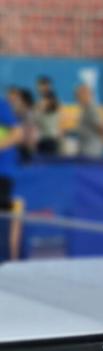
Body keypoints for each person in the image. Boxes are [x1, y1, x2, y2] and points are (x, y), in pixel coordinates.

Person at [0, 90, 24, 262]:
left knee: (2, 223)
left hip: (2, 173)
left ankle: (4, 263)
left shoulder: (1, 105)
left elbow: (17, 134)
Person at [74, 83, 103, 160]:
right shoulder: (85, 109)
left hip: (91, 151)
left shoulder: (91, 109)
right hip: (85, 148)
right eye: (76, 96)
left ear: (87, 95)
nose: (77, 98)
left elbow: (100, 125)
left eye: (78, 95)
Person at [34, 92, 62, 157]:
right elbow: (36, 122)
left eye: (46, 100)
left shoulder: (55, 113)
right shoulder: (40, 112)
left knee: (52, 159)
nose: (43, 102)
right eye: (43, 100)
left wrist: (40, 109)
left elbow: (45, 124)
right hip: (41, 140)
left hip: (51, 140)